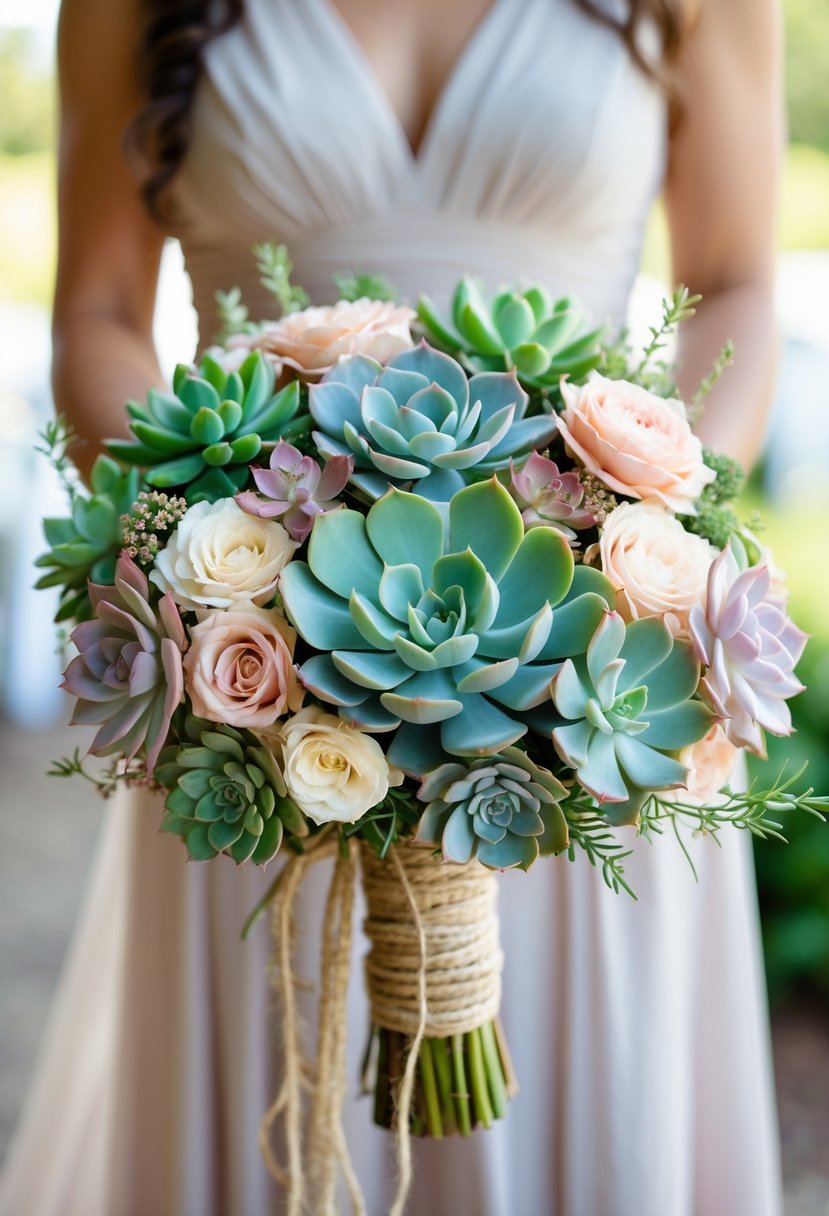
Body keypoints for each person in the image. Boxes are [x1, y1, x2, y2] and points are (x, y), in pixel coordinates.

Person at [1, 0, 784, 1212]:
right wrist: (210, 565)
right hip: (263, 688)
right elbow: (99, 308)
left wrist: (647, 545)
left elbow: (733, 283)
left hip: (603, 683)